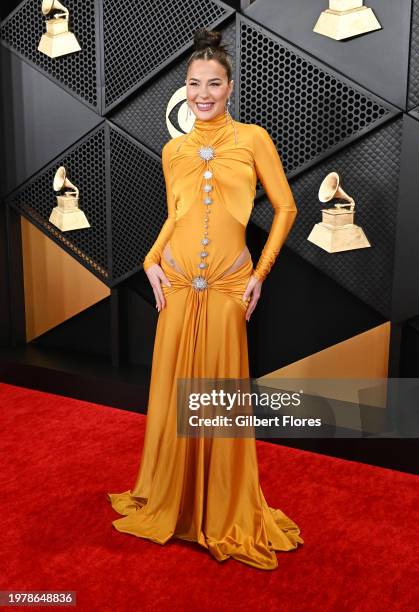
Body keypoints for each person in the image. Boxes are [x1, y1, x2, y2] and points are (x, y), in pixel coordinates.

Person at [107, 27, 303, 570]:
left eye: (213, 84)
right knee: (174, 398)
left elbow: (285, 209)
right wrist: (149, 262)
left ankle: (219, 510)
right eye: (194, 84)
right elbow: (175, 215)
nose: (203, 93)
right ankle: (174, 499)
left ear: (230, 87)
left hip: (225, 289)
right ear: (185, 88)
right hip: (175, 284)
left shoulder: (254, 138)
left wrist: (259, 273)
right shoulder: (173, 149)